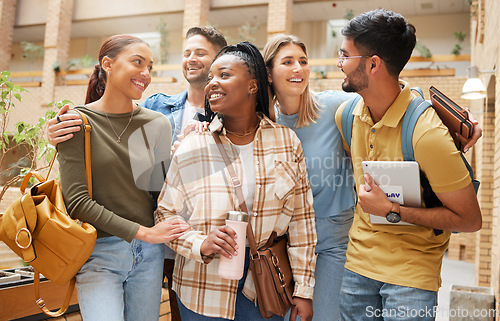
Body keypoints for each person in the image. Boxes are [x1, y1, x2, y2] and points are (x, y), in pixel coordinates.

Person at [47, 26, 227, 321]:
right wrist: (145, 232)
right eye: (137, 62)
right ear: (108, 64)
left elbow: (159, 193)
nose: (145, 72)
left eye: (150, 66)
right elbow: (77, 202)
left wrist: (188, 154)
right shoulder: (76, 121)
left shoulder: (156, 123)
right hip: (99, 254)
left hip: (150, 255)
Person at [333, 10, 482, 321]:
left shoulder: (427, 133)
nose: (339, 63)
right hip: (357, 267)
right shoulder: (346, 116)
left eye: (345, 55)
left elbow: (469, 220)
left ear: (373, 64)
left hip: (411, 278)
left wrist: (393, 210)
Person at [154, 42, 317, 321]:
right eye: (210, 78)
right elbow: (164, 214)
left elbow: (302, 222)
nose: (212, 84)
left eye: (224, 75)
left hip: (264, 287)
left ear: (253, 86)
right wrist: (200, 242)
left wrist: (304, 290)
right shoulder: (192, 145)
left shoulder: (286, 142)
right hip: (201, 289)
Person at [263, 34, 356, 321]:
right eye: (288, 62)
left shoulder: (336, 107)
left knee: (325, 316)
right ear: (268, 72)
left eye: (303, 61)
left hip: (332, 239)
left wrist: (454, 121)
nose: (299, 69)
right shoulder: (265, 124)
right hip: (284, 241)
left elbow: (391, 98)